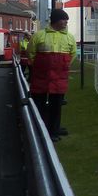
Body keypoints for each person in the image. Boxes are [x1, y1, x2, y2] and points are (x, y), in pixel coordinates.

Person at [27, 9, 77, 142]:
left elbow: (73, 53)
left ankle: (53, 130)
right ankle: (40, 129)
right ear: (55, 20)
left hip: (59, 78)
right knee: (39, 104)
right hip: (41, 77)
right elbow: (31, 52)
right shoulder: (39, 36)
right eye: (64, 19)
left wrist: (63, 67)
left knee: (56, 106)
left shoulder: (69, 37)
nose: (66, 22)